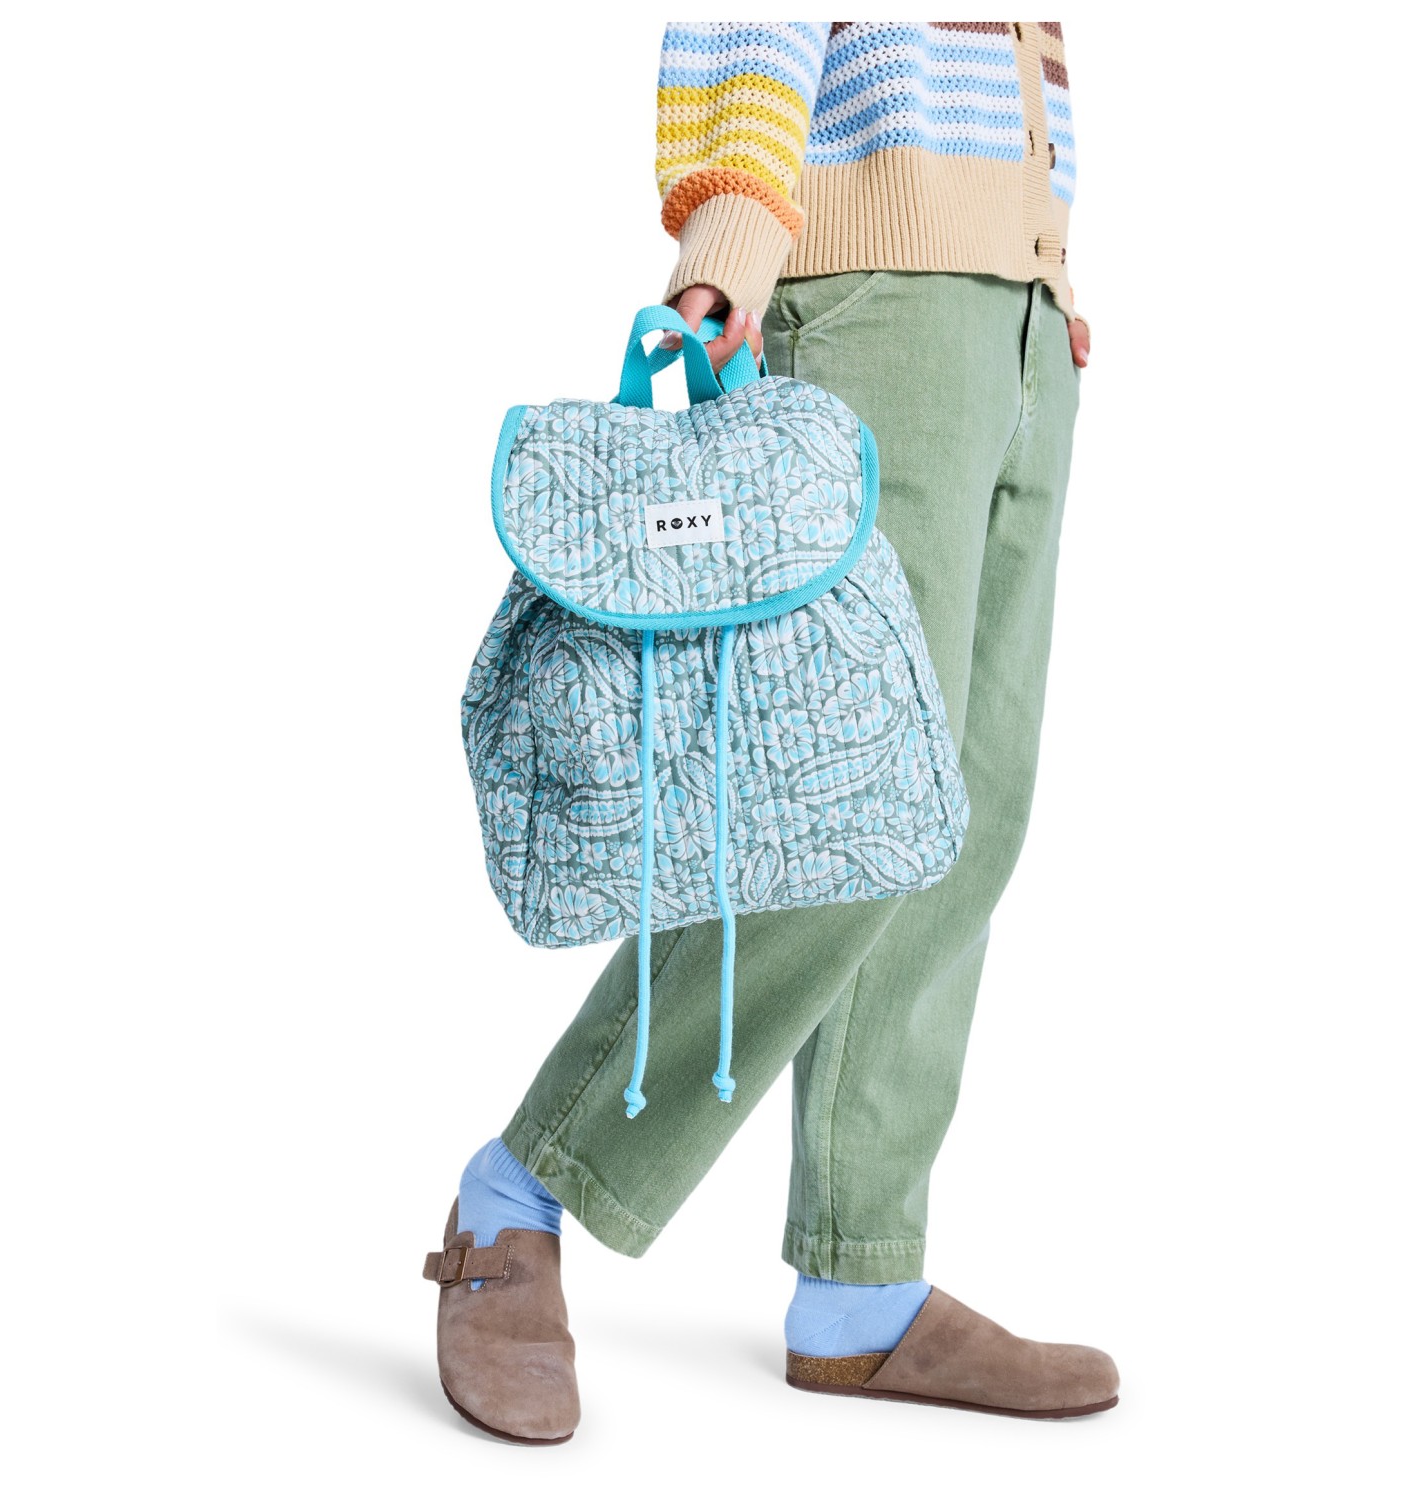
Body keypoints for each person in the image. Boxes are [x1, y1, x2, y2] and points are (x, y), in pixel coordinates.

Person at [428, 21, 1115, 1444]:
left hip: (1021, 325)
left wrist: (1041, 265)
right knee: (840, 809)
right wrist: (728, 243)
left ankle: (863, 1285)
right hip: (875, 301)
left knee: (964, 810)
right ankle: (519, 1194)